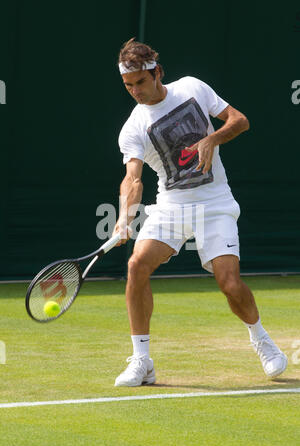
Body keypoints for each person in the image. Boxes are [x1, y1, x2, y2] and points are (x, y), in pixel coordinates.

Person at [112, 38, 287, 387]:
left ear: (157, 72)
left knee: (230, 283)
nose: (135, 91)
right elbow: (133, 178)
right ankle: (142, 361)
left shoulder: (192, 88)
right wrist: (123, 217)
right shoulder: (133, 127)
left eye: (140, 83)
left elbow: (240, 121)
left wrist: (212, 139)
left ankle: (261, 339)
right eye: (128, 86)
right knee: (136, 265)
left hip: (215, 202)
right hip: (171, 206)